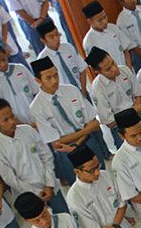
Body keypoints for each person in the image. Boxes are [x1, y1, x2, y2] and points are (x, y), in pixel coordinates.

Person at [28, 56, 102, 186]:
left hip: (88, 144)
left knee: (101, 179)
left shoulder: (71, 90)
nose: (55, 80)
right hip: (68, 154)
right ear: (38, 80)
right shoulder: (36, 107)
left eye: (55, 74)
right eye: (48, 78)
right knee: (81, 187)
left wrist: (75, 142)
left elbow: (95, 123)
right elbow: (56, 142)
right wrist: (85, 131)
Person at [0, 97, 64, 214]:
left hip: (50, 185)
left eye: (12, 116)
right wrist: (36, 192)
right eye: (5, 120)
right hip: (27, 195)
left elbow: (46, 156)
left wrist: (49, 184)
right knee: (43, 224)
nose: (12, 121)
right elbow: (10, 178)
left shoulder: (27, 130)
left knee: (64, 217)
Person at [85, 47, 141, 148]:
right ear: (98, 72)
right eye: (108, 69)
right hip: (120, 128)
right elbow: (109, 122)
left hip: (139, 117)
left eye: (113, 63)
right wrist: (133, 111)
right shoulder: (98, 89)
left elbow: (137, 93)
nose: (114, 69)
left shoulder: (124, 70)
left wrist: (138, 105)